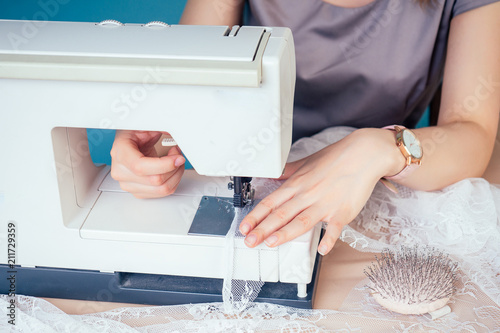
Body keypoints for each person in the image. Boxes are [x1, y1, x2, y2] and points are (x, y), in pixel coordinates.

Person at [110, 0, 500, 256]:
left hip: (385, 184)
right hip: (269, 178)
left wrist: (380, 147)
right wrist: (156, 139)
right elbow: (187, 81)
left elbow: (472, 133)